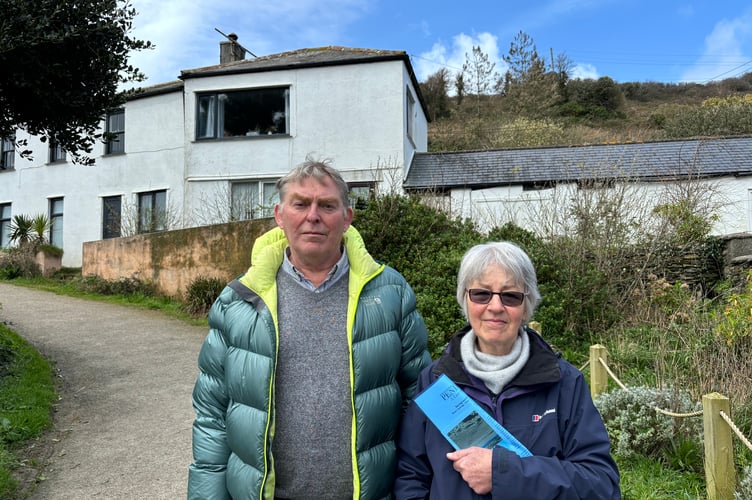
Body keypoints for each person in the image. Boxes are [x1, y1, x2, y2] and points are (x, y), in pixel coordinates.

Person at [188, 159, 431, 499]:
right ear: (279, 215)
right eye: (300, 204)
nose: (313, 216)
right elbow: (212, 416)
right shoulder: (238, 300)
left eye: (327, 205)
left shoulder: (391, 293)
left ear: (347, 217)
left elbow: (419, 401)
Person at [393, 242, 621, 499]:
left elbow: (601, 484)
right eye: (481, 294)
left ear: (526, 307)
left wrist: (504, 473)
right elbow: (410, 477)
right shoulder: (435, 381)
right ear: (465, 300)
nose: (495, 306)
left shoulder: (565, 383)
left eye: (510, 296)